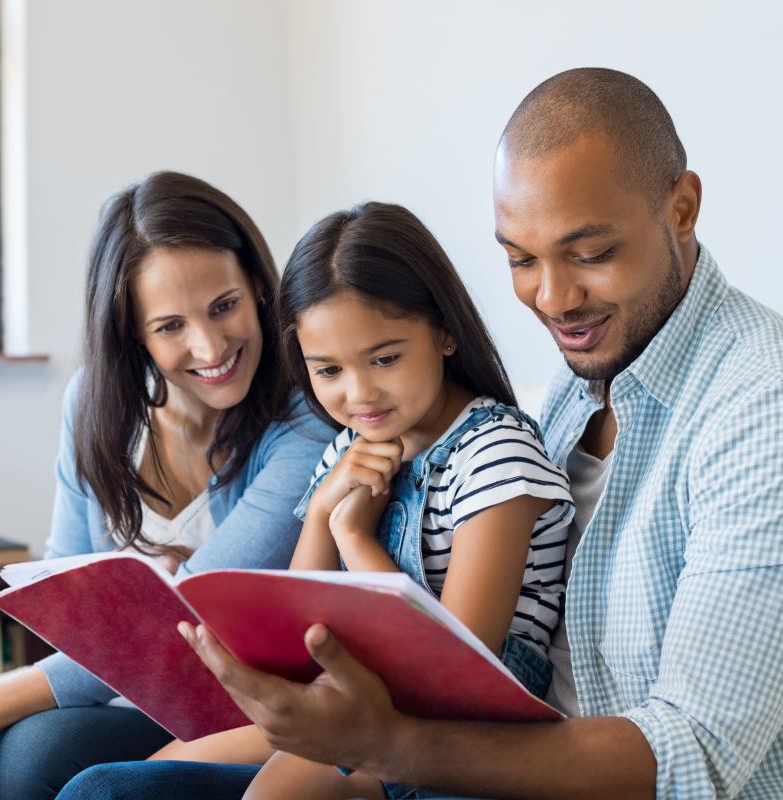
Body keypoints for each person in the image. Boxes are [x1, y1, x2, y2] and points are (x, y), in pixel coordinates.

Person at [58, 68, 783, 800]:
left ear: (683, 208)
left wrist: (387, 744)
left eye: (591, 254)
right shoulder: (581, 374)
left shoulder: (758, 405)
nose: (554, 300)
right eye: (520, 260)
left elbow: (699, 754)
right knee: (104, 789)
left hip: (489, 755)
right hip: (442, 740)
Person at [161, 201, 572, 800]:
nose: (359, 394)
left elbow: (457, 663)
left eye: (384, 358)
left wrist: (352, 536)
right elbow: (297, 622)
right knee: (140, 771)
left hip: (463, 729)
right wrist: (326, 509)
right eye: (327, 370)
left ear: (445, 331)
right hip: (360, 694)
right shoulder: (352, 447)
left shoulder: (494, 453)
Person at [0, 171, 333, 800]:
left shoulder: (306, 422)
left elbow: (177, 631)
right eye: (171, 326)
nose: (210, 345)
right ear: (133, 333)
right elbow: (66, 600)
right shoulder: (94, 405)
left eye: (224, 305)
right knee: (17, 753)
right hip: (118, 696)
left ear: (257, 285)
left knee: (31, 755)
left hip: (244, 713)